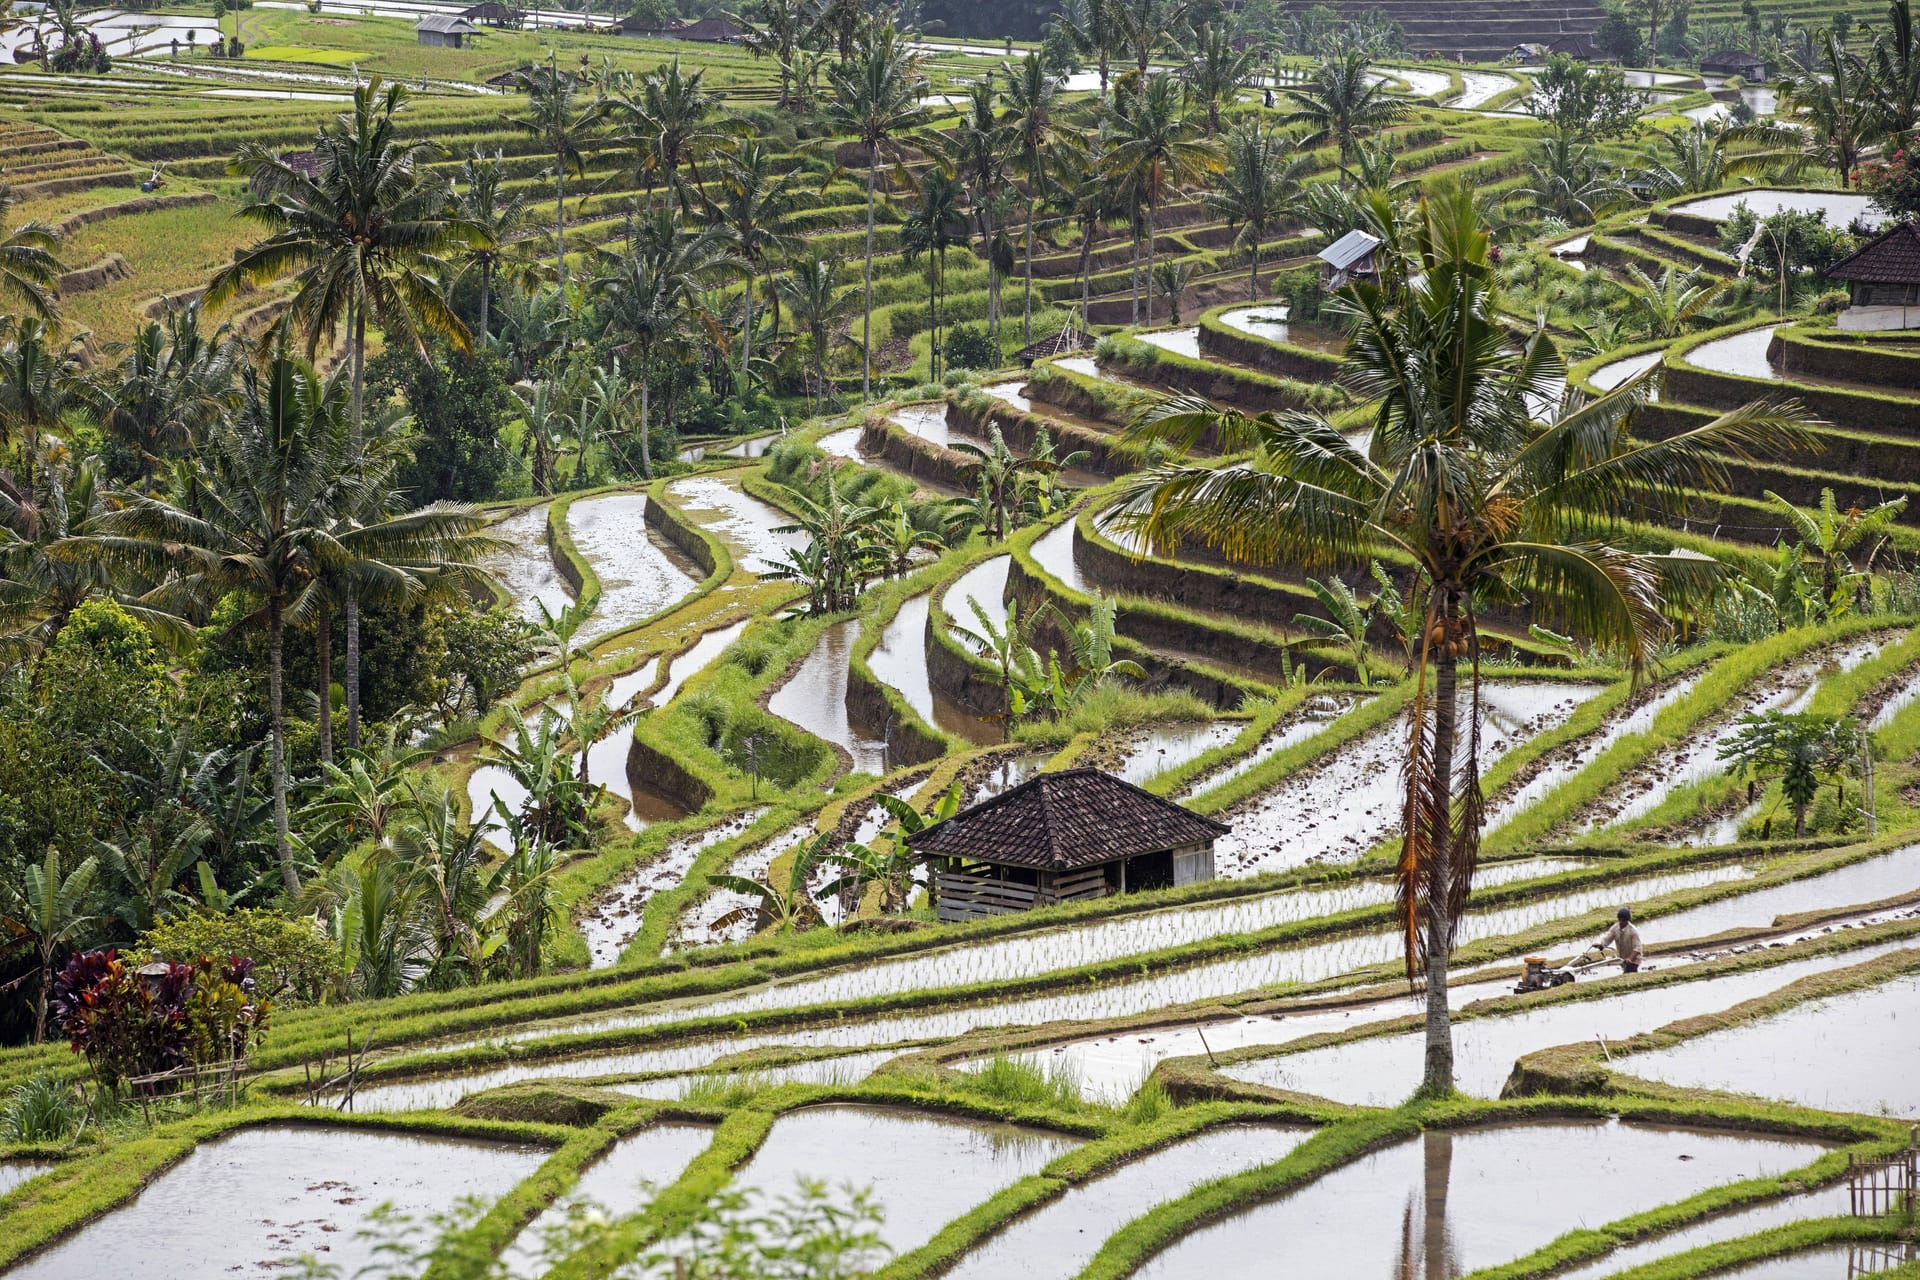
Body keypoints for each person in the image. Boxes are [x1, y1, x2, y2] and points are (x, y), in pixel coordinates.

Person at [1596, 907, 1644, 973]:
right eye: (1620, 920)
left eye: (1623, 920)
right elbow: (1608, 937)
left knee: (1630, 973)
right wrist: (1601, 944)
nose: (1621, 922)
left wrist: (1630, 958)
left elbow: (1637, 948)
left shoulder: (1633, 931)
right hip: (1622, 958)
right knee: (1626, 973)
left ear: (1627, 920)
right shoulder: (1615, 927)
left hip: (1633, 960)